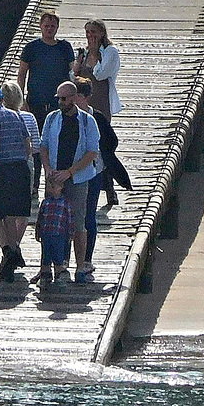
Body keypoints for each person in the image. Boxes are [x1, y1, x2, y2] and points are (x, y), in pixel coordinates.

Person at [39, 81, 100, 285]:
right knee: (52, 223)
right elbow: (44, 145)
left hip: (78, 178)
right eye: (58, 98)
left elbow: (92, 151)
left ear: (74, 98)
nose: (60, 102)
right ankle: (53, 265)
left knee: (78, 222)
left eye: (63, 99)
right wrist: (48, 169)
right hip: (55, 177)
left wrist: (71, 172)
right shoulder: (52, 118)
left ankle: (80, 266)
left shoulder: (87, 121)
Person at [74, 76, 132, 274]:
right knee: (70, 216)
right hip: (69, 174)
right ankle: (64, 261)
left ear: (86, 97)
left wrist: (101, 156)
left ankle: (87, 260)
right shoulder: (61, 116)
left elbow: (112, 141)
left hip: (93, 173)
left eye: (77, 96)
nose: (73, 100)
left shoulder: (97, 118)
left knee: (89, 214)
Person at [0, 84, 32, 282]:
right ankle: (12, 253)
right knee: (11, 216)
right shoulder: (17, 115)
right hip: (20, 168)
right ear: (2, 99)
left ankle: (8, 251)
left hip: (0, 169)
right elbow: (28, 146)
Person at [73, 18, 123, 205]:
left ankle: (110, 188)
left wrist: (93, 55)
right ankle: (87, 184)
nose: (90, 36)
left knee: (103, 145)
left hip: (101, 102)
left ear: (102, 33)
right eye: (88, 32)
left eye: (94, 32)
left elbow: (101, 73)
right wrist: (78, 65)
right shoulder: (83, 52)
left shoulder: (110, 52)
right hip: (83, 102)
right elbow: (74, 77)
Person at [18, 11, 76, 131]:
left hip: (60, 100)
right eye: (46, 26)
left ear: (57, 27)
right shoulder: (31, 47)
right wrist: (21, 100)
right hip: (36, 100)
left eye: (52, 26)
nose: (49, 29)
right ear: (41, 26)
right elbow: (22, 74)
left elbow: (73, 72)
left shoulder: (65, 47)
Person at [0, 80, 42, 200]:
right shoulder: (29, 117)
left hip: (3, 163)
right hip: (25, 162)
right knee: (23, 204)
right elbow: (36, 146)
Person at [31, 179, 75, 286]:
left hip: (59, 234)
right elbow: (40, 218)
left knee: (58, 256)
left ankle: (59, 276)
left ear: (61, 187)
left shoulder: (65, 203)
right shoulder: (45, 202)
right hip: (46, 233)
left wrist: (70, 233)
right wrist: (38, 231)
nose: (51, 189)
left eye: (53, 187)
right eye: (49, 187)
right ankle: (45, 276)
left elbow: (70, 219)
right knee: (46, 255)